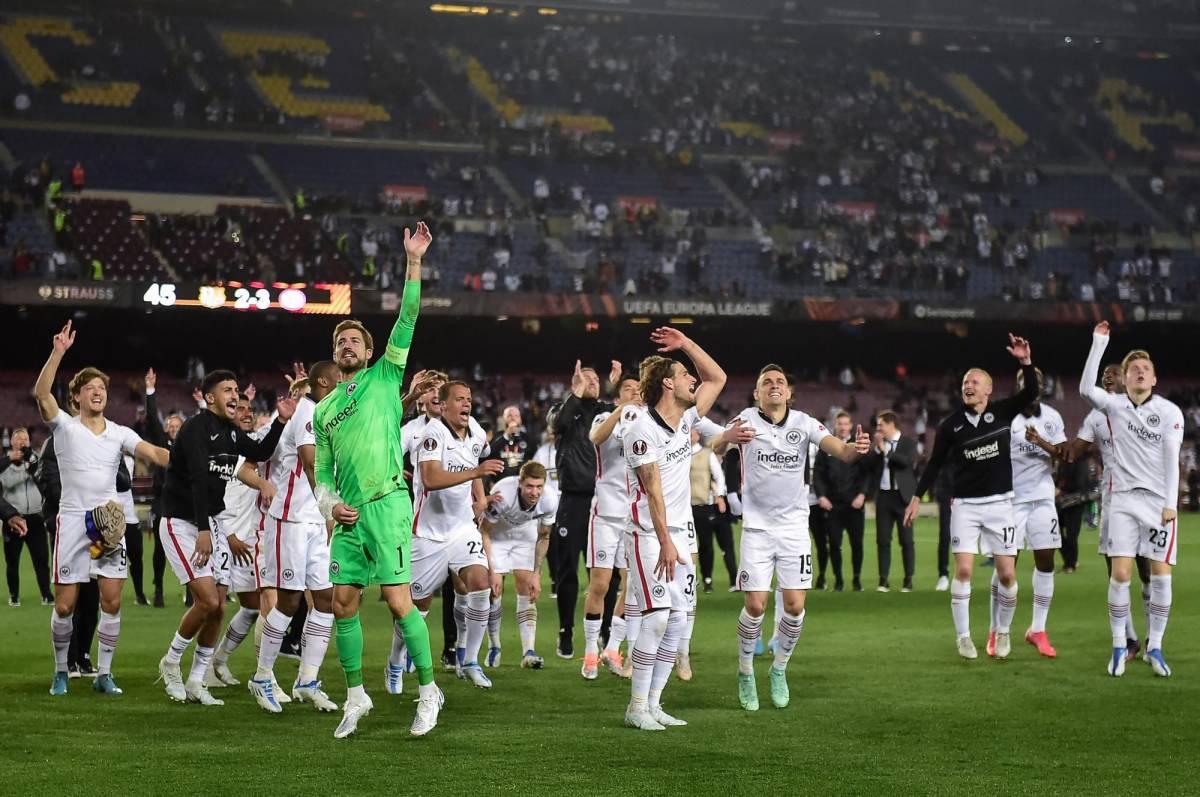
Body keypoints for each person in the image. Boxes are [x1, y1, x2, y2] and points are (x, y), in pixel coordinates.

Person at [313, 221, 444, 738]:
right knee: (342, 602)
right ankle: (355, 695)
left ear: (368, 352)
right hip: (347, 514)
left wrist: (413, 260)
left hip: (387, 503)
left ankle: (429, 689)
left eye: (355, 340)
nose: (348, 345)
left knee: (396, 601)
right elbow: (321, 473)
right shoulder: (322, 410)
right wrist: (329, 507)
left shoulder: (386, 376)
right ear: (335, 354)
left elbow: (409, 315)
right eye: (340, 340)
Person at [717, 364, 869, 712]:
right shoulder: (744, 421)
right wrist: (726, 438)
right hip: (757, 527)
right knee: (755, 606)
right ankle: (744, 671)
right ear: (756, 393)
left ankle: (779, 669)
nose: (774, 386)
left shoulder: (804, 423)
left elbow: (842, 452)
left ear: (789, 393)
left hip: (793, 528)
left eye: (780, 382)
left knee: (795, 606)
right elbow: (712, 445)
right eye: (766, 382)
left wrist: (856, 448)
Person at [34, 320, 170, 697]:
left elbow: (155, 453)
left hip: (108, 523)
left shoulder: (120, 432)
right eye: (90, 388)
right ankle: (61, 670)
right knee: (65, 605)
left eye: (102, 389)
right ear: (76, 397)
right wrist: (59, 351)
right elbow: (42, 393)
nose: (98, 393)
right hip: (74, 522)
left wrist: (187, 459)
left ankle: (104, 673)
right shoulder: (64, 426)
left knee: (112, 600)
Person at [156, 370, 293, 707]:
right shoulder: (194, 429)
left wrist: (280, 422)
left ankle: (197, 680)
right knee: (208, 601)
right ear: (209, 397)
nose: (234, 395)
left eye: (236, 389)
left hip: (210, 522)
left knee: (217, 609)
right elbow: (199, 482)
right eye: (226, 390)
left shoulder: (231, 432)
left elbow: (260, 453)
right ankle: (171, 662)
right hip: (181, 522)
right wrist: (204, 530)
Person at [903, 334, 1038, 660]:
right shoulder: (951, 426)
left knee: (1007, 574)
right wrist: (917, 496)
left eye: (975, 382)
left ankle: (1002, 631)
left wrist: (1025, 362)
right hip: (965, 506)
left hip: (1001, 505)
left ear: (988, 389)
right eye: (965, 382)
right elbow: (935, 462)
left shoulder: (1003, 412)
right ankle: (963, 637)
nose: (968, 385)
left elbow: (1032, 392)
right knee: (963, 570)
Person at [622, 327, 726, 730]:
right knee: (658, 619)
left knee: (680, 621)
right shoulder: (640, 431)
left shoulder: (686, 419)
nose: (693, 380)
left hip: (679, 533)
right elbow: (652, 492)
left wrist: (686, 346)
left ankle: (654, 702)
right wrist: (666, 541)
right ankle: (635, 707)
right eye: (685, 375)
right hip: (649, 534)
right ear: (668, 383)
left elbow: (717, 377)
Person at [1078, 322, 1182, 678]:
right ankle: (1120, 646)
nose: (1139, 371)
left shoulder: (1170, 413)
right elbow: (1084, 388)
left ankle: (1155, 647)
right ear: (1124, 377)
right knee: (1120, 574)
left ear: (1154, 378)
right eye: (1133, 368)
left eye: (1145, 369)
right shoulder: (1114, 405)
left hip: (1157, 505)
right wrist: (1099, 343)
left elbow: (1172, 461)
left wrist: (1170, 503)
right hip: (1121, 500)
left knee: (1160, 576)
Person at [247, 362, 341, 714]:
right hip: (290, 520)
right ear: (321, 383)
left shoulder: (327, 414)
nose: (342, 386)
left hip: (313, 522)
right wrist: (333, 510)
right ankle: (262, 677)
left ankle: (307, 680)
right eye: (337, 381)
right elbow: (313, 463)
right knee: (288, 601)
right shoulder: (308, 411)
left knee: (325, 599)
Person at [409, 380, 503, 688]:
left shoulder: (475, 429)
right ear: (444, 404)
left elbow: (474, 460)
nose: (467, 404)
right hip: (428, 532)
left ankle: (470, 660)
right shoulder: (431, 434)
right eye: (460, 399)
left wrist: (478, 496)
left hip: (462, 527)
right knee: (415, 605)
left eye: (469, 399)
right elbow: (431, 478)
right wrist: (476, 474)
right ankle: (397, 662)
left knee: (481, 585)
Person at [1069, 363, 1149, 661]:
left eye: (1113, 373)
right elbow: (1072, 451)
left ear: (1126, 378)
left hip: (1145, 500)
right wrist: (1043, 443)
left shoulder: (1147, 410)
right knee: (1116, 571)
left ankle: (1154, 636)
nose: (1107, 377)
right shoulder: (1095, 417)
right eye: (1104, 376)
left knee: (1147, 569)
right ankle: (1129, 639)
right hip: (1113, 500)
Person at [550, 358, 622, 658]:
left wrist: (612, 389)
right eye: (585, 379)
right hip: (574, 501)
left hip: (605, 501)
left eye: (596, 380)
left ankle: (604, 629)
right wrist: (577, 393)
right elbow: (559, 424)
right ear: (574, 384)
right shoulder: (563, 410)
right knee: (568, 571)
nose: (592, 382)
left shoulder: (606, 412)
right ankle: (566, 631)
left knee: (609, 573)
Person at [203, 392, 272, 689]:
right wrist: (228, 535)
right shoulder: (220, 448)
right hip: (223, 537)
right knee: (212, 606)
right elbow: (211, 496)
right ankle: (201, 670)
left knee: (252, 607)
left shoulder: (254, 447)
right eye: (239, 408)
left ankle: (219, 660)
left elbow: (283, 425)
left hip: (248, 544)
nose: (245, 413)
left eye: (249, 409)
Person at [1001, 368, 1067, 659]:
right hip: (1011, 499)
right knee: (1007, 566)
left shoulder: (1052, 417)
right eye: (1025, 382)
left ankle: (1037, 630)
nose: (1031, 386)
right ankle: (997, 630)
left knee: (1046, 560)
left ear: (1043, 386)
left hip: (1041, 497)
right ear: (1017, 387)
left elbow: (1064, 454)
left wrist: (1041, 441)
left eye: (1036, 382)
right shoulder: (1005, 416)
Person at [581, 374, 640, 679]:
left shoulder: (647, 422)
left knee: (632, 586)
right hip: (605, 513)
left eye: (638, 389)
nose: (634, 392)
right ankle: (591, 650)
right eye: (628, 389)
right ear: (618, 396)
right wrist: (621, 411)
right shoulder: (607, 416)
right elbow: (595, 438)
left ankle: (613, 647)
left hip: (635, 517)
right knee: (601, 584)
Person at [479, 461, 557, 669]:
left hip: (525, 535)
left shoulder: (549, 500)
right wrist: (493, 570)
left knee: (527, 587)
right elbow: (484, 530)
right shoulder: (502, 493)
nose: (534, 492)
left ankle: (528, 651)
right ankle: (494, 645)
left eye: (539, 486)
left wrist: (537, 574)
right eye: (530, 486)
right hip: (497, 536)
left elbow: (544, 536)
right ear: (520, 483)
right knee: (494, 590)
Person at [813, 412, 870, 592]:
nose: (843, 427)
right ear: (835, 425)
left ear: (851, 426)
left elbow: (867, 474)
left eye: (846, 424)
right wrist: (821, 496)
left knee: (857, 544)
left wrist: (862, 494)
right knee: (835, 544)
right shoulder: (827, 447)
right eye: (840, 424)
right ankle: (838, 580)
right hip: (833, 505)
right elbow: (818, 474)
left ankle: (856, 579)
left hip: (854, 504)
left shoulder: (858, 447)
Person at [864, 411, 917, 592]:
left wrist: (885, 450)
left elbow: (904, 462)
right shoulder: (879, 446)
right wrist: (878, 449)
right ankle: (883, 580)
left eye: (880, 425)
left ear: (891, 424)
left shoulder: (908, 443)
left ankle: (908, 579)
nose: (877, 429)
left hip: (903, 497)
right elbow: (868, 465)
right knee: (883, 540)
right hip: (884, 496)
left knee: (906, 540)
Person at [143, 369, 182, 608]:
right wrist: (150, 391)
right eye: (171, 424)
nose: (174, 427)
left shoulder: (189, 444)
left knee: (189, 547)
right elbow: (151, 417)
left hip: (184, 501)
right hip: (162, 501)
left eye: (178, 424)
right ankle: (158, 588)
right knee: (159, 547)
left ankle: (190, 591)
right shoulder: (162, 442)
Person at [2, 427, 52, 606]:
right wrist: (21, 467)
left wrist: (33, 465)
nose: (23, 442)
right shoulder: (5, 463)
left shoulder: (36, 460)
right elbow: (6, 481)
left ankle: (46, 594)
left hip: (35, 517)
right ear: (13, 442)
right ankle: (14, 595)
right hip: (14, 519)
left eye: (26, 439)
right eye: (19, 439)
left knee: (41, 560)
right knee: (12, 561)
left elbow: (45, 477)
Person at [691, 424, 735, 595]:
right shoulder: (679, 454)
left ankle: (726, 578)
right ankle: (702, 579)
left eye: (691, 433)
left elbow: (719, 476)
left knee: (715, 544)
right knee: (698, 546)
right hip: (687, 506)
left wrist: (719, 496)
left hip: (707, 505)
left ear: (697, 436)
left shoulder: (706, 454)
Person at [494, 406, 535, 481]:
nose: (513, 418)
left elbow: (533, 460)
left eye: (516, 416)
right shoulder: (497, 437)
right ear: (503, 419)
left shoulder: (528, 439)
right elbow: (489, 455)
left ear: (520, 420)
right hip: (500, 482)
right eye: (509, 415)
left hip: (521, 482)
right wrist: (506, 436)